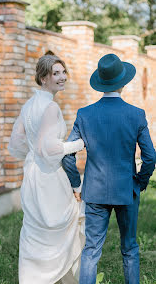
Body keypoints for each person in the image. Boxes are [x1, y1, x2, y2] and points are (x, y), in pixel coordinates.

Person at [62, 53, 156, 284]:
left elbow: (67, 156)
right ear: (123, 83)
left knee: (91, 251)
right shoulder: (136, 114)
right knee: (130, 248)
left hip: (94, 191)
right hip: (127, 189)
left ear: (101, 82)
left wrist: (77, 185)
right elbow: (150, 157)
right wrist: (140, 182)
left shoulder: (84, 115)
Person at [8, 54, 85, 284]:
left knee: (36, 232)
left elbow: (18, 141)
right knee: (60, 229)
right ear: (43, 78)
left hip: (32, 175)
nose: (62, 77)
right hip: (49, 178)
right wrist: (79, 144)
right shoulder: (50, 108)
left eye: (63, 72)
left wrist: (32, 156)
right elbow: (48, 148)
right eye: (56, 73)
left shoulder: (29, 105)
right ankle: (55, 276)